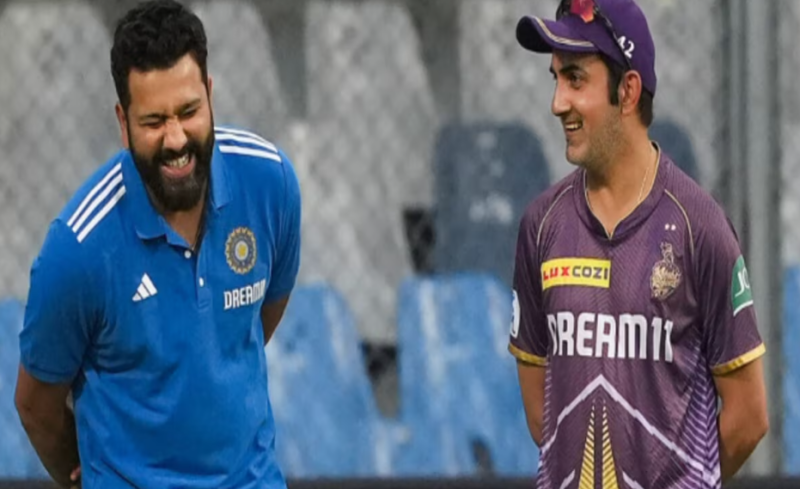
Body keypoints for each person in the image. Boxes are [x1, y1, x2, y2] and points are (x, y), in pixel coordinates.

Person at [14, 0, 301, 487]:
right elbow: (35, 406)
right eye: (153, 121)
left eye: (189, 112)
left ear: (210, 95)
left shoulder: (270, 182)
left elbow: (259, 319)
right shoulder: (78, 249)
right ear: (123, 122)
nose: (175, 139)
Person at [507, 0, 768, 487]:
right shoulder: (540, 225)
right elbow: (544, 414)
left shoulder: (700, 227)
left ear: (627, 91)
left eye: (575, 79)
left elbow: (749, 417)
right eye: (556, 79)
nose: (557, 103)